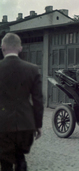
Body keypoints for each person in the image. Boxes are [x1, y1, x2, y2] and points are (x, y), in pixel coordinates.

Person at [0, 33, 44, 171]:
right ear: (20, 48)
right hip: (26, 124)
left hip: (2, 125)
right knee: (20, 157)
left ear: (2, 47)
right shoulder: (32, 69)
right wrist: (38, 124)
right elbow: (38, 100)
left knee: (5, 162)